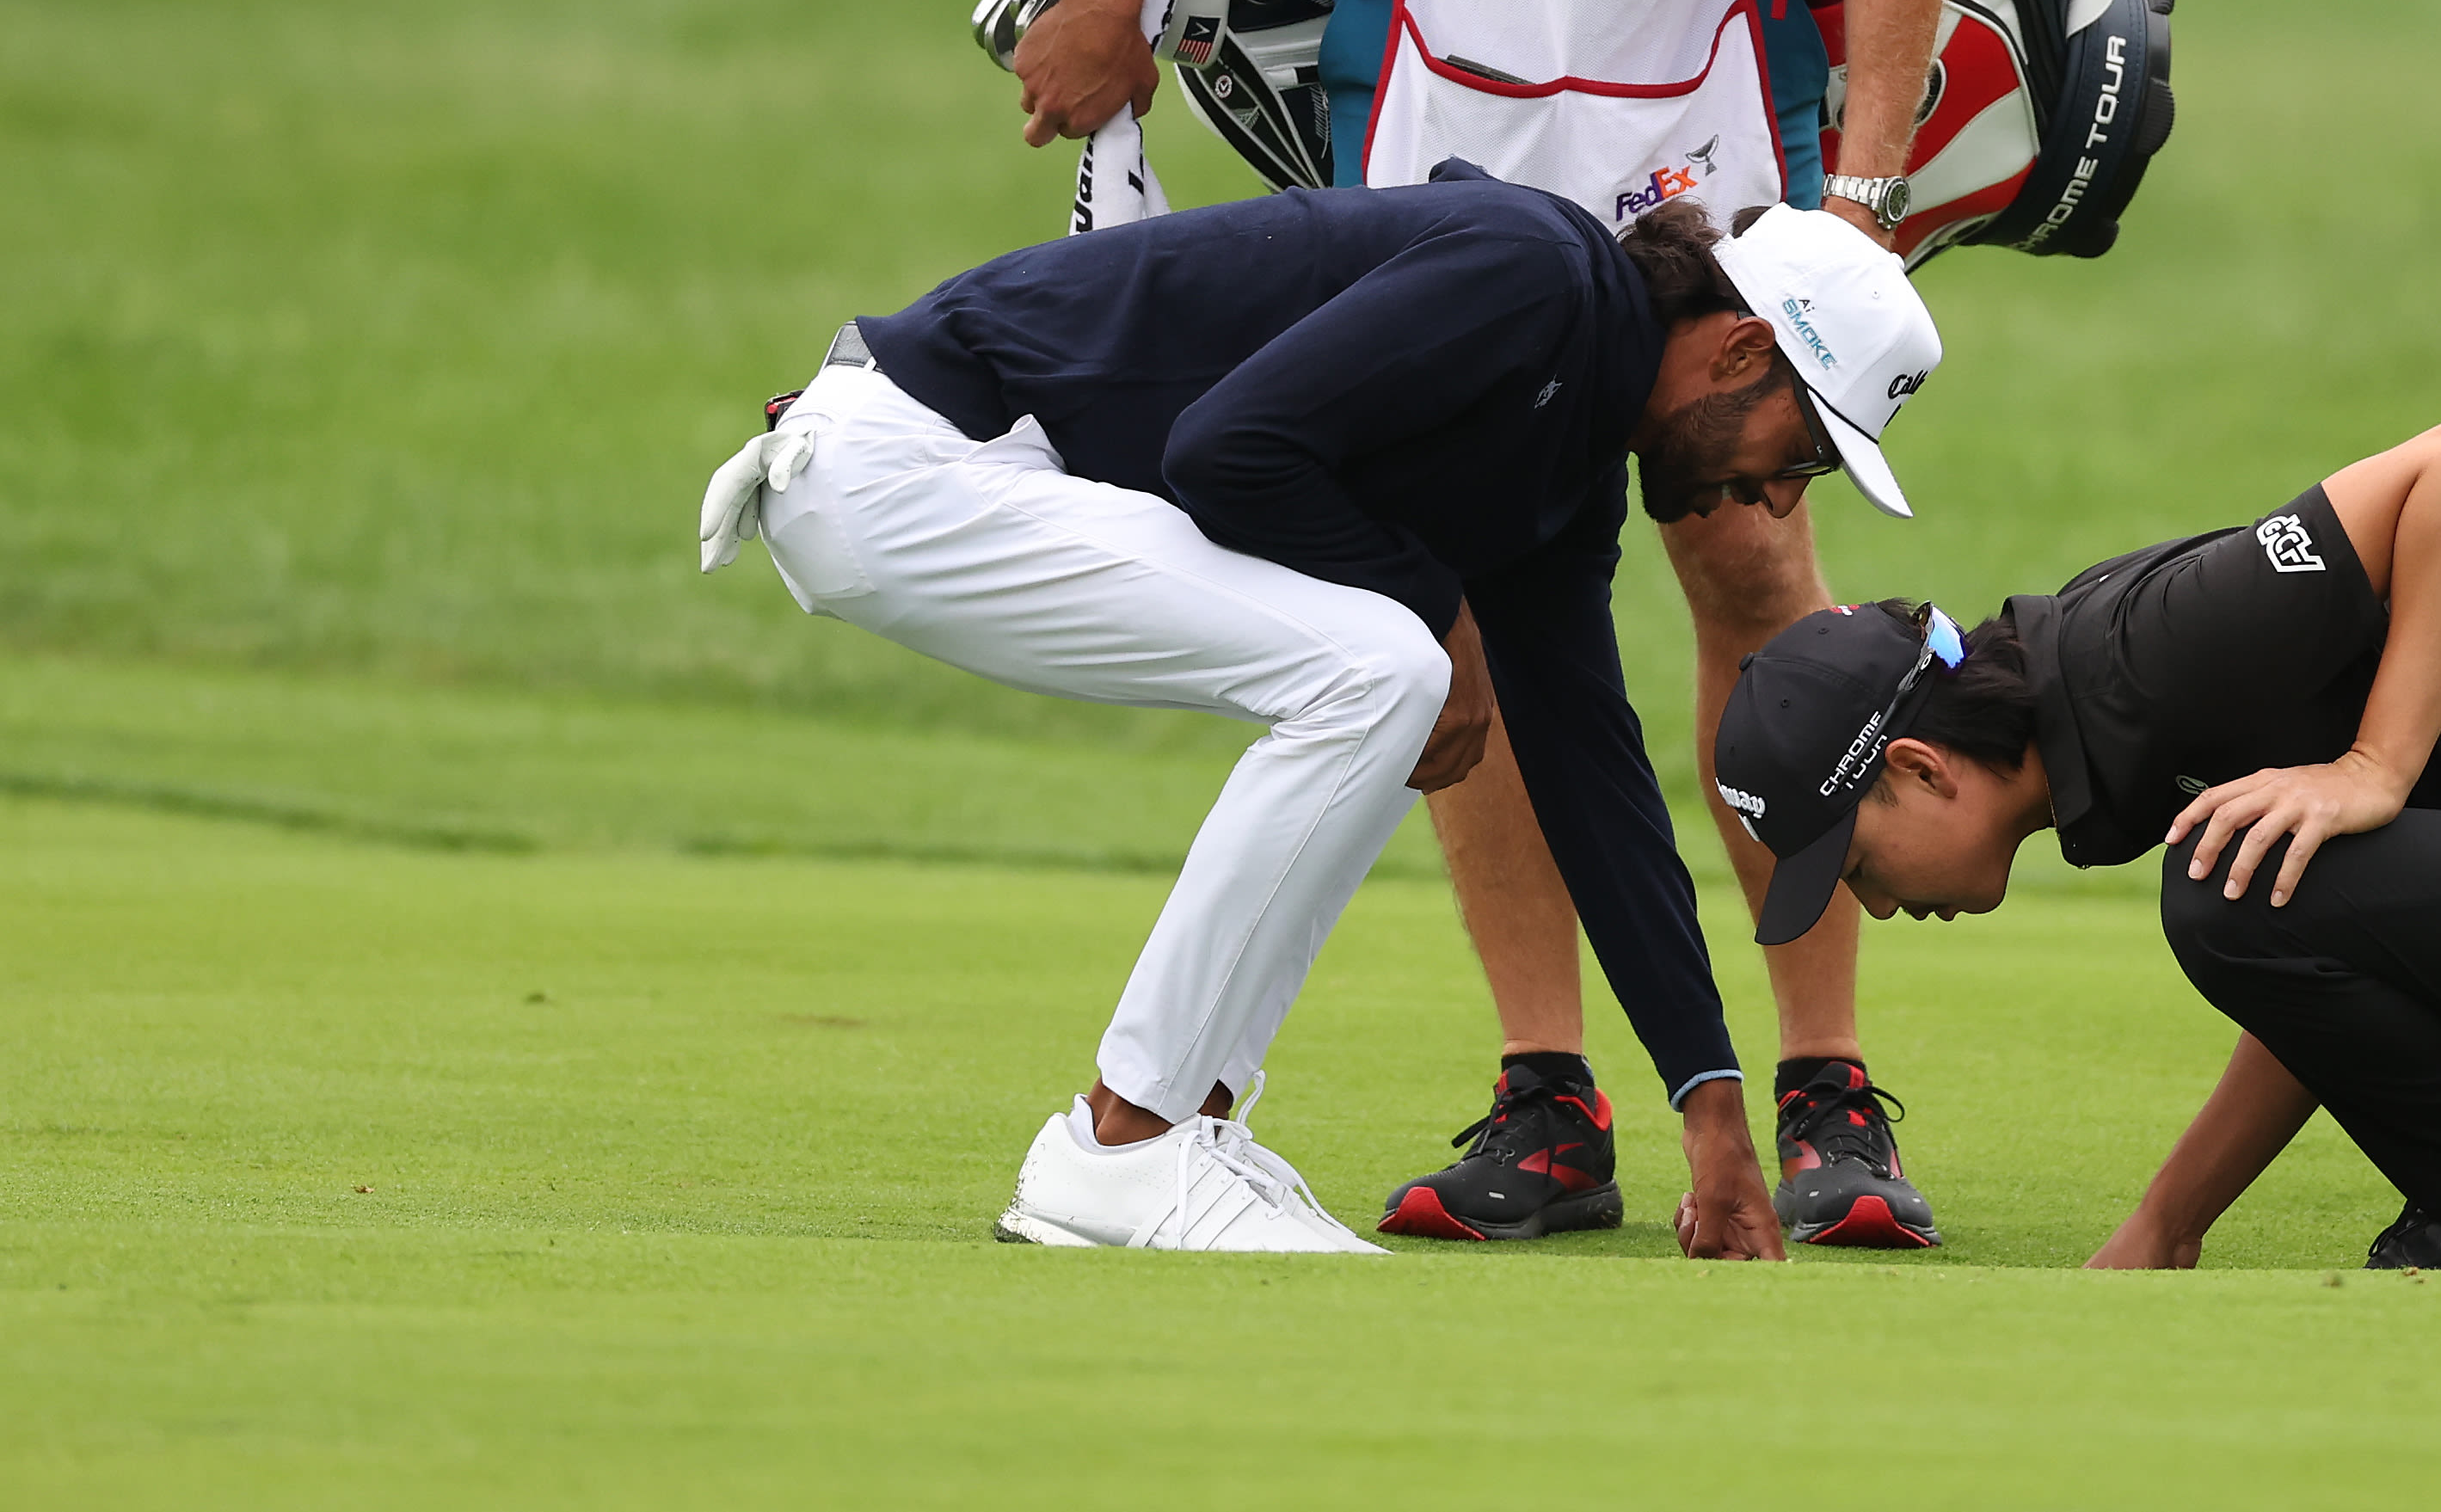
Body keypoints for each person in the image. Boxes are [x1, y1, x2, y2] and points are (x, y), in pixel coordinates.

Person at [1007, 0, 1969, 1247]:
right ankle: (1551, 1096)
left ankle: (1825, 1090)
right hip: (1437, 119)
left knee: (1749, 561)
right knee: (1448, 595)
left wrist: (1864, 203)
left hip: (1709, 135)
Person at [695, 171, 1944, 1257]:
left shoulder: (1565, 457)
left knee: (1382, 665)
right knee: (1383, 668)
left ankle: (1180, 1126)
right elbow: (1226, 448)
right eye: (1804, 448)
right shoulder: (1537, 275)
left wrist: (1707, 1099)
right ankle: (1125, 1140)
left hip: (954, 475)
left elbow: (1592, 774)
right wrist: (1443, 614)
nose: (1779, 496)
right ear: (1736, 352)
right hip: (910, 465)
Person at [1710, 416, 2441, 1271]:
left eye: (1854, 860)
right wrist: (2170, 1221)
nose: (1868, 903)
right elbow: (2331, 956)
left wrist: (2375, 768)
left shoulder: (2147, 653)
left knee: (2221, 888)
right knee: (2245, 878)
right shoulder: (2101, 696)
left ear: (1918, 767)